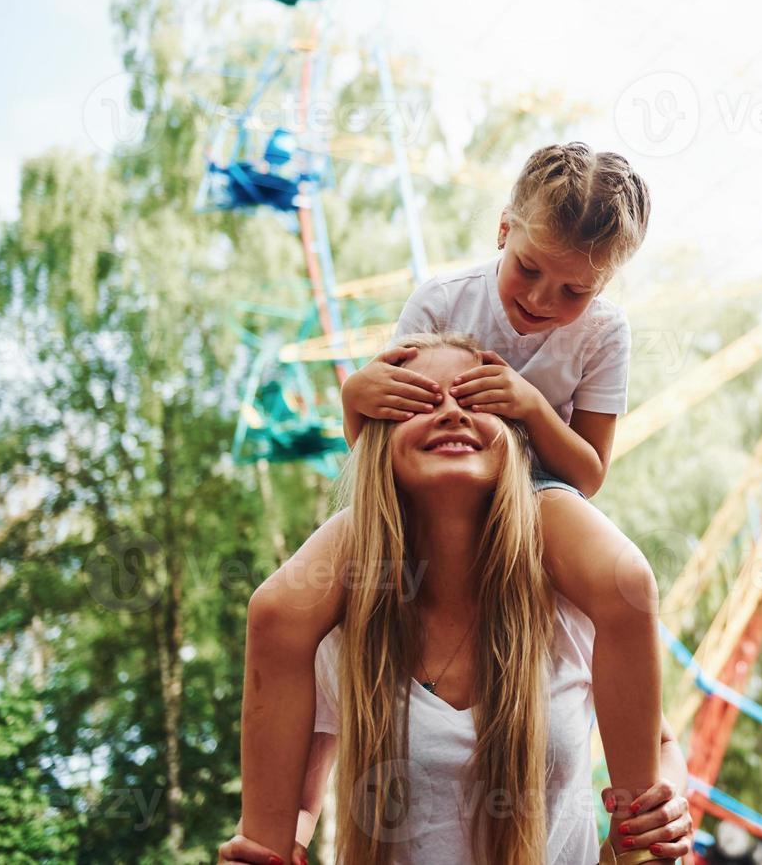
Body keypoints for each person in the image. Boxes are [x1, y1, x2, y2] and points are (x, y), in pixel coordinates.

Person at [240, 143, 668, 862]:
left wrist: (529, 409)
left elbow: (589, 473)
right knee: (278, 607)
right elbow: (386, 432)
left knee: (626, 582)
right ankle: (262, 842)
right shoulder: (441, 298)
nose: (540, 301)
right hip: (410, 496)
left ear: (605, 285)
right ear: (504, 228)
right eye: (529, 271)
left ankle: (638, 825)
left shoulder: (606, 335)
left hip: (535, 499)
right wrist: (354, 397)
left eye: (573, 292)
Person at [233, 333, 691, 864]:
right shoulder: (343, 630)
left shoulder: (572, 610)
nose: (451, 413)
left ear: (520, 444)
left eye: (476, 400)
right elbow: (300, 803)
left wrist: (666, 803)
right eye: (419, 402)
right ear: (380, 442)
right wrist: (272, 847)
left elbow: (659, 746)